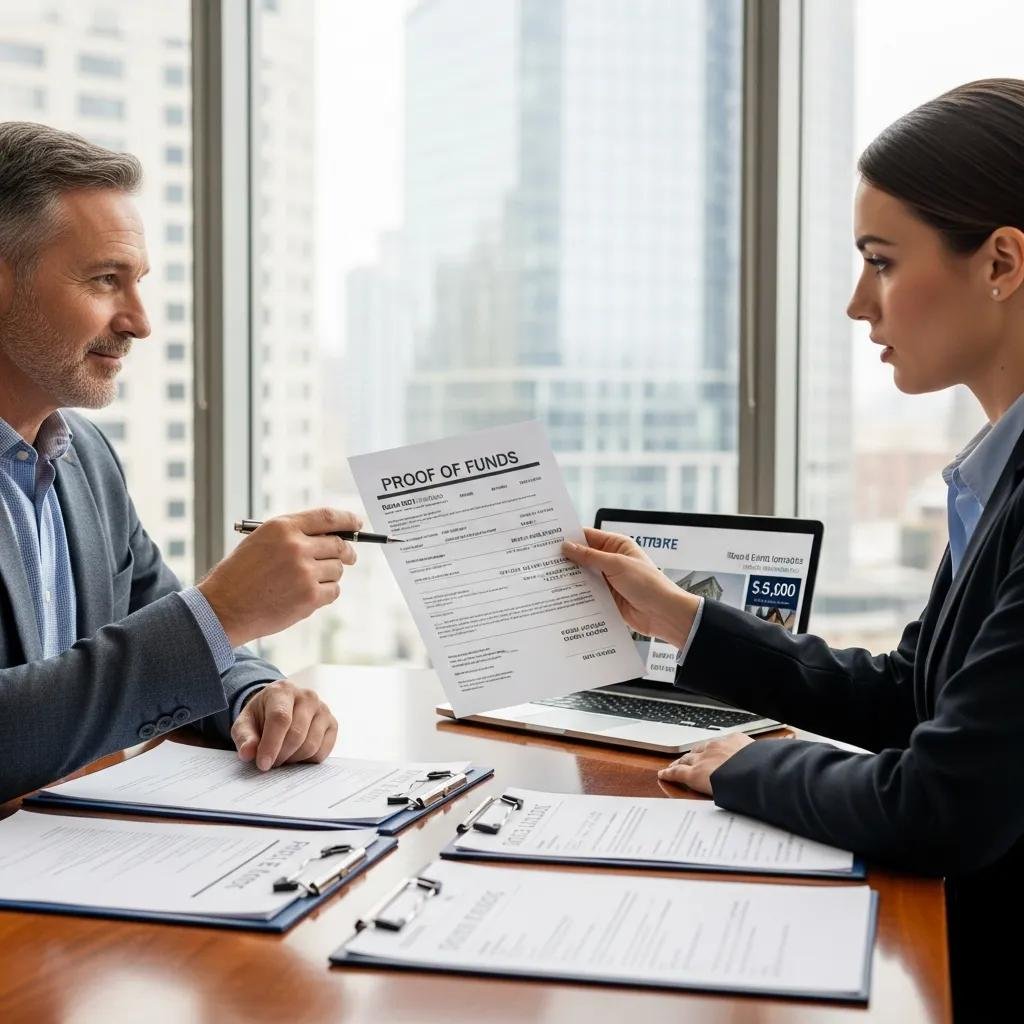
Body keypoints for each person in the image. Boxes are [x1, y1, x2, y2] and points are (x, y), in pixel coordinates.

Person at [562, 78, 1024, 1016]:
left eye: (883, 263)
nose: (861, 305)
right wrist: (683, 617)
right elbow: (910, 698)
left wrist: (743, 767)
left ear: (1002, 261)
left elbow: (942, 804)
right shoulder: (996, 475)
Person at [0, 121, 359, 804]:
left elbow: (154, 622)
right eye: (107, 281)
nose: (139, 320)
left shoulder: (84, 458)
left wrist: (258, 693)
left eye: (138, 283)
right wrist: (222, 611)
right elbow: (185, 631)